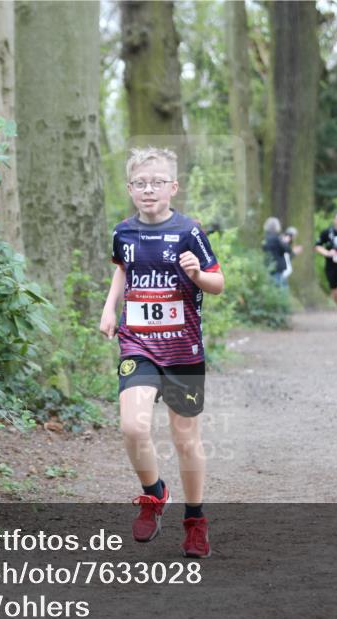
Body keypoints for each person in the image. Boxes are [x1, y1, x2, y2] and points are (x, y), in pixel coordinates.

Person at [99, 146, 224, 558]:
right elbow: (122, 269)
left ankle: (195, 520)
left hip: (182, 349)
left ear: (173, 187)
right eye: (140, 183)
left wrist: (197, 274)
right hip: (137, 342)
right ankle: (154, 494)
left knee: (185, 439)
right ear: (130, 188)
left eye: (157, 182)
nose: (148, 189)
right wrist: (109, 308)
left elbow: (218, 283)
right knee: (133, 427)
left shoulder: (189, 232)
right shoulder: (123, 232)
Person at [261, 217, 290, 287]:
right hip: (278, 267)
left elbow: (264, 249)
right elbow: (286, 249)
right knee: (281, 288)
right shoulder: (277, 238)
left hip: (269, 265)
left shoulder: (266, 238)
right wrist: (285, 242)